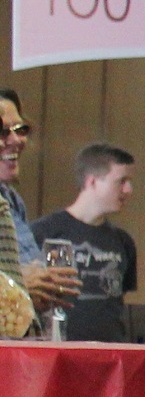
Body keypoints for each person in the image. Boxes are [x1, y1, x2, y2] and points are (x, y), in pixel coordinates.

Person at [32, 143, 138, 342]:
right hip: (58, 347)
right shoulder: (43, 232)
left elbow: (118, 297)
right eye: (121, 181)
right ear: (92, 181)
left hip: (110, 350)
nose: (128, 190)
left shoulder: (123, 241)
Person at [0, 88, 79, 316]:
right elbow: (20, 282)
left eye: (20, 129)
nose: (17, 140)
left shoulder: (11, 200)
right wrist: (15, 286)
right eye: (2, 132)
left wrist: (43, 286)